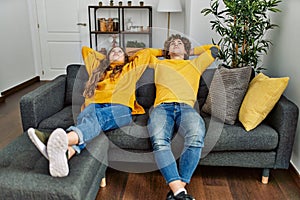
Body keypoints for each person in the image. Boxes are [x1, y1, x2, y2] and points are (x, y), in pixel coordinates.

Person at [28, 46, 152, 177]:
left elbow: (146, 52)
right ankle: (67, 152)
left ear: (126, 57)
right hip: (94, 105)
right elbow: (86, 50)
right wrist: (107, 58)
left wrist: (126, 53)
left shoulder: (131, 69)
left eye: (119, 52)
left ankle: (57, 140)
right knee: (90, 120)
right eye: (113, 51)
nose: (116, 52)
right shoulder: (98, 69)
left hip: (120, 108)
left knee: (97, 118)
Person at [146, 34, 219, 200]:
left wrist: (190, 51)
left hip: (186, 108)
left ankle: (178, 191)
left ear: (186, 50)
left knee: (196, 137)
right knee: (159, 140)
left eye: (179, 43)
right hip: (161, 108)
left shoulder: (195, 64)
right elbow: (141, 54)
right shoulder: (159, 63)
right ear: (167, 50)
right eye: (172, 44)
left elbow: (215, 50)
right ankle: (180, 193)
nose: (176, 45)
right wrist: (163, 51)